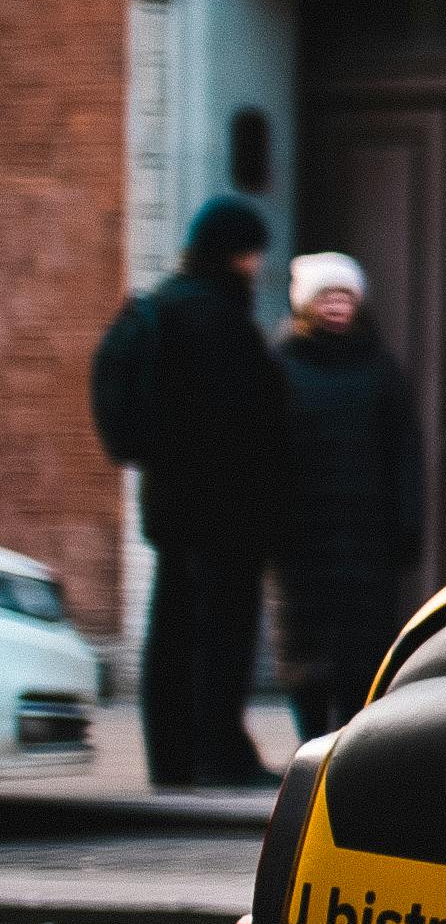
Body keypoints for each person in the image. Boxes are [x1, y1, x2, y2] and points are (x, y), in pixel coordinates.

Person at [89, 195, 289, 789]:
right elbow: (249, 416)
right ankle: (221, 752)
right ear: (236, 252)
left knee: (173, 628)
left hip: (173, 504)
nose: (257, 263)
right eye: (252, 251)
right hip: (228, 506)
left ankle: (171, 757)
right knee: (223, 634)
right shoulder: (220, 317)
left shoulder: (162, 309)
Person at [274, 250, 424, 743]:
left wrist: (407, 522)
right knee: (306, 645)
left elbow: (405, 452)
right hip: (302, 531)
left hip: (367, 534)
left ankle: (352, 741)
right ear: (305, 305)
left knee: (362, 648)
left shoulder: (381, 370)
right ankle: (310, 738)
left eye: (345, 297)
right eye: (326, 297)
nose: (336, 306)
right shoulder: (281, 366)